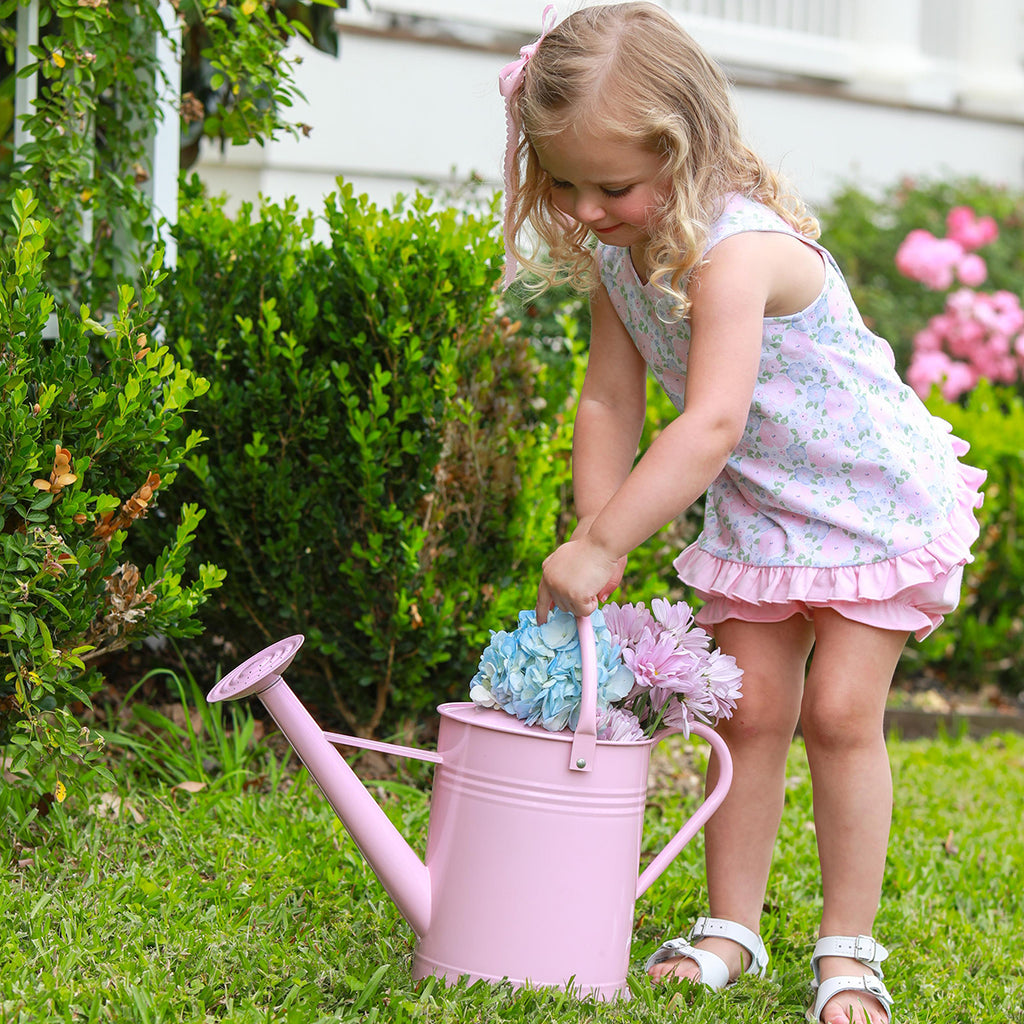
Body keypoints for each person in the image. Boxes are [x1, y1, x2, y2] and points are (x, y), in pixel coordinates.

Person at [497, 4, 985, 1024]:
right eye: (564, 184)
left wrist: (607, 538)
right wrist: (598, 537)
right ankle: (732, 929)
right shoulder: (618, 255)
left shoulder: (737, 251)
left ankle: (847, 950)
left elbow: (712, 419)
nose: (586, 209)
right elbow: (608, 400)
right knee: (745, 712)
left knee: (840, 714)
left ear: (685, 150)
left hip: (868, 503)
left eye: (613, 186)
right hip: (766, 508)